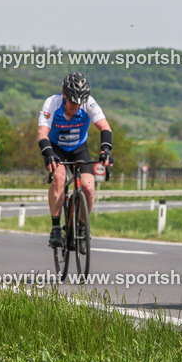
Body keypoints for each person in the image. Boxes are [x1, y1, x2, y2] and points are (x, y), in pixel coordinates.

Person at [38, 73, 114, 249]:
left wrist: (105, 150)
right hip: (56, 147)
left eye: (79, 102)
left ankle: (81, 227)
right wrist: (48, 152)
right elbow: (42, 133)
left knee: (88, 187)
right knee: (59, 177)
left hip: (79, 148)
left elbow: (105, 127)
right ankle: (56, 227)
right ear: (64, 94)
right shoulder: (52, 103)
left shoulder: (89, 102)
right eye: (73, 101)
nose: (76, 106)